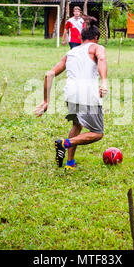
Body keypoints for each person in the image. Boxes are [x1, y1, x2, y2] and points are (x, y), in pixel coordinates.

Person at [35, 19, 107, 171]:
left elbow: (49, 74)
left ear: (81, 38)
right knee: (97, 133)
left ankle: (70, 163)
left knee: (77, 124)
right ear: (96, 38)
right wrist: (104, 82)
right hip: (87, 95)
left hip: (70, 94)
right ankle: (64, 143)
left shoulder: (71, 53)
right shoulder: (97, 47)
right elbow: (101, 58)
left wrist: (46, 101)